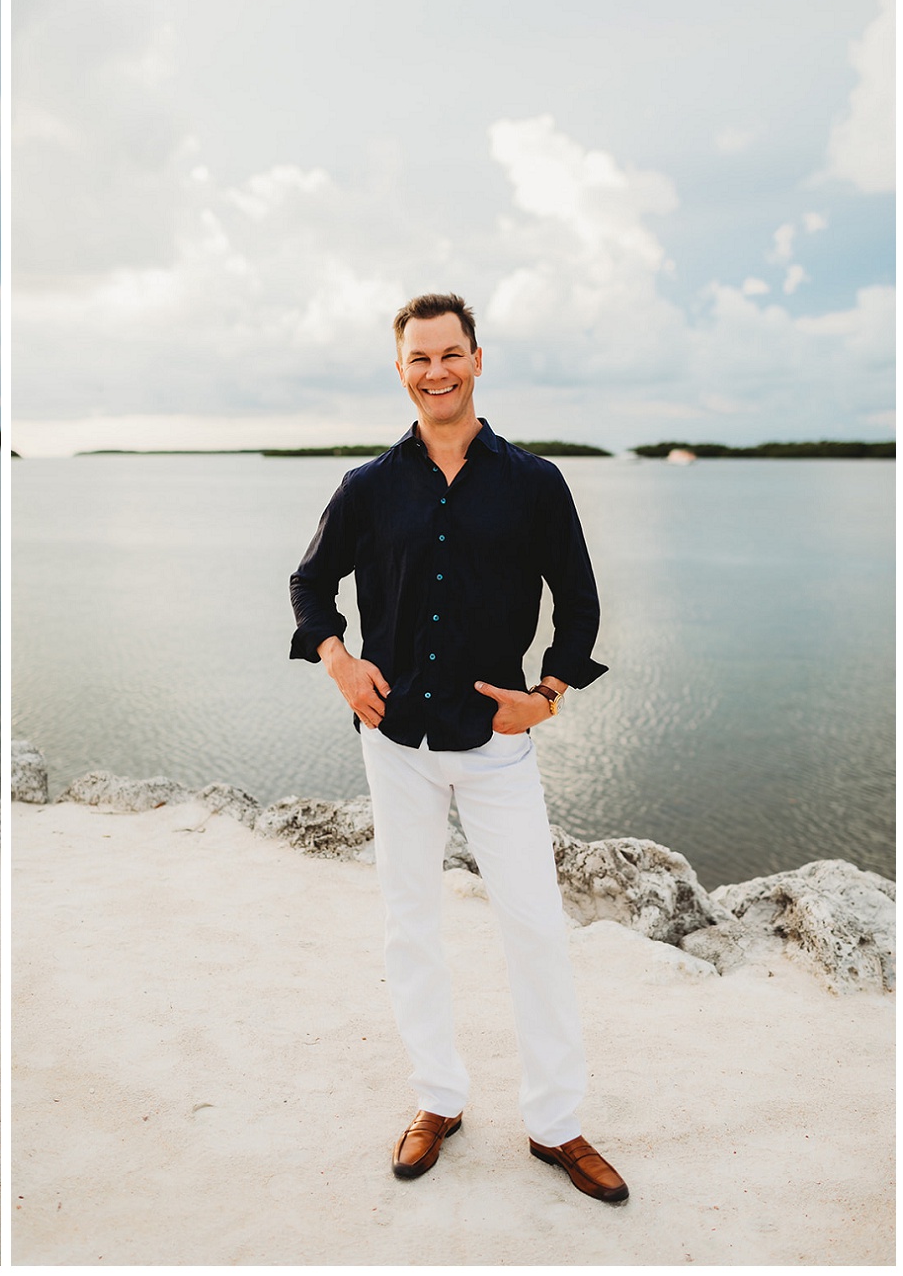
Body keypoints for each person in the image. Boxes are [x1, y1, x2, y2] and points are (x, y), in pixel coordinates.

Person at [288, 294, 627, 1204]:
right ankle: (437, 1098)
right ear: (400, 370)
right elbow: (310, 583)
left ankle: (557, 1123)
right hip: (393, 741)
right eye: (417, 358)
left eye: (449, 354)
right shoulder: (366, 487)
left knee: (535, 927)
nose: (434, 371)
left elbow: (581, 604)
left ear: (478, 359)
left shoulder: (534, 482)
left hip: (494, 743)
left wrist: (546, 696)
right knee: (411, 923)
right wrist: (338, 661)